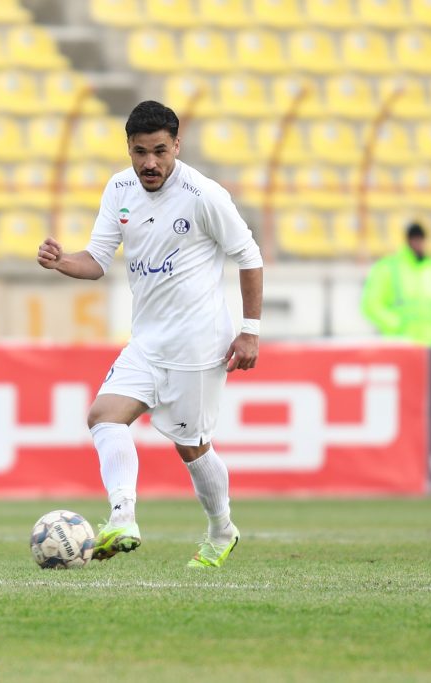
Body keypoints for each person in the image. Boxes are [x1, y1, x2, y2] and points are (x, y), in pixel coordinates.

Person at [36, 101, 264, 568]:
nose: (150, 163)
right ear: (129, 148)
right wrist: (62, 261)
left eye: (160, 151)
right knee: (103, 417)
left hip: (198, 345)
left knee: (192, 449)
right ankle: (123, 517)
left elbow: (249, 256)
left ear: (177, 145)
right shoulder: (120, 188)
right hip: (146, 341)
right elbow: (97, 260)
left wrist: (250, 332)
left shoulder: (204, 195)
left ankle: (222, 530)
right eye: (141, 152)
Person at [361, 222, 431, 346]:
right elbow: (370, 304)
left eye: (420, 239)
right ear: (408, 241)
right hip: (400, 345)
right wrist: (395, 325)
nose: (418, 243)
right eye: (415, 239)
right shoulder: (388, 268)